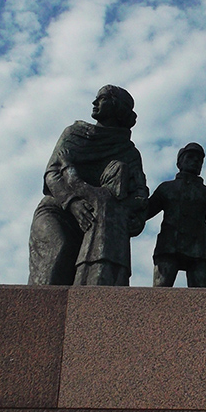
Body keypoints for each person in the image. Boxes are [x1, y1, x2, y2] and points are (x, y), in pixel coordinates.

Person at [28, 85, 148, 286]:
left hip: (101, 221)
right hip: (59, 209)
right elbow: (52, 173)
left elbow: (140, 192)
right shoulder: (75, 133)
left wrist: (139, 217)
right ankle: (38, 314)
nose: (94, 103)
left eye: (102, 98)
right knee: (60, 248)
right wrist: (73, 203)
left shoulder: (128, 152)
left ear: (118, 107)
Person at [146, 142, 206, 287]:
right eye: (190, 157)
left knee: (201, 300)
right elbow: (146, 211)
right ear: (179, 162)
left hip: (199, 249)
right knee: (159, 296)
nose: (196, 161)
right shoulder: (167, 188)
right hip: (169, 246)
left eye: (199, 160)